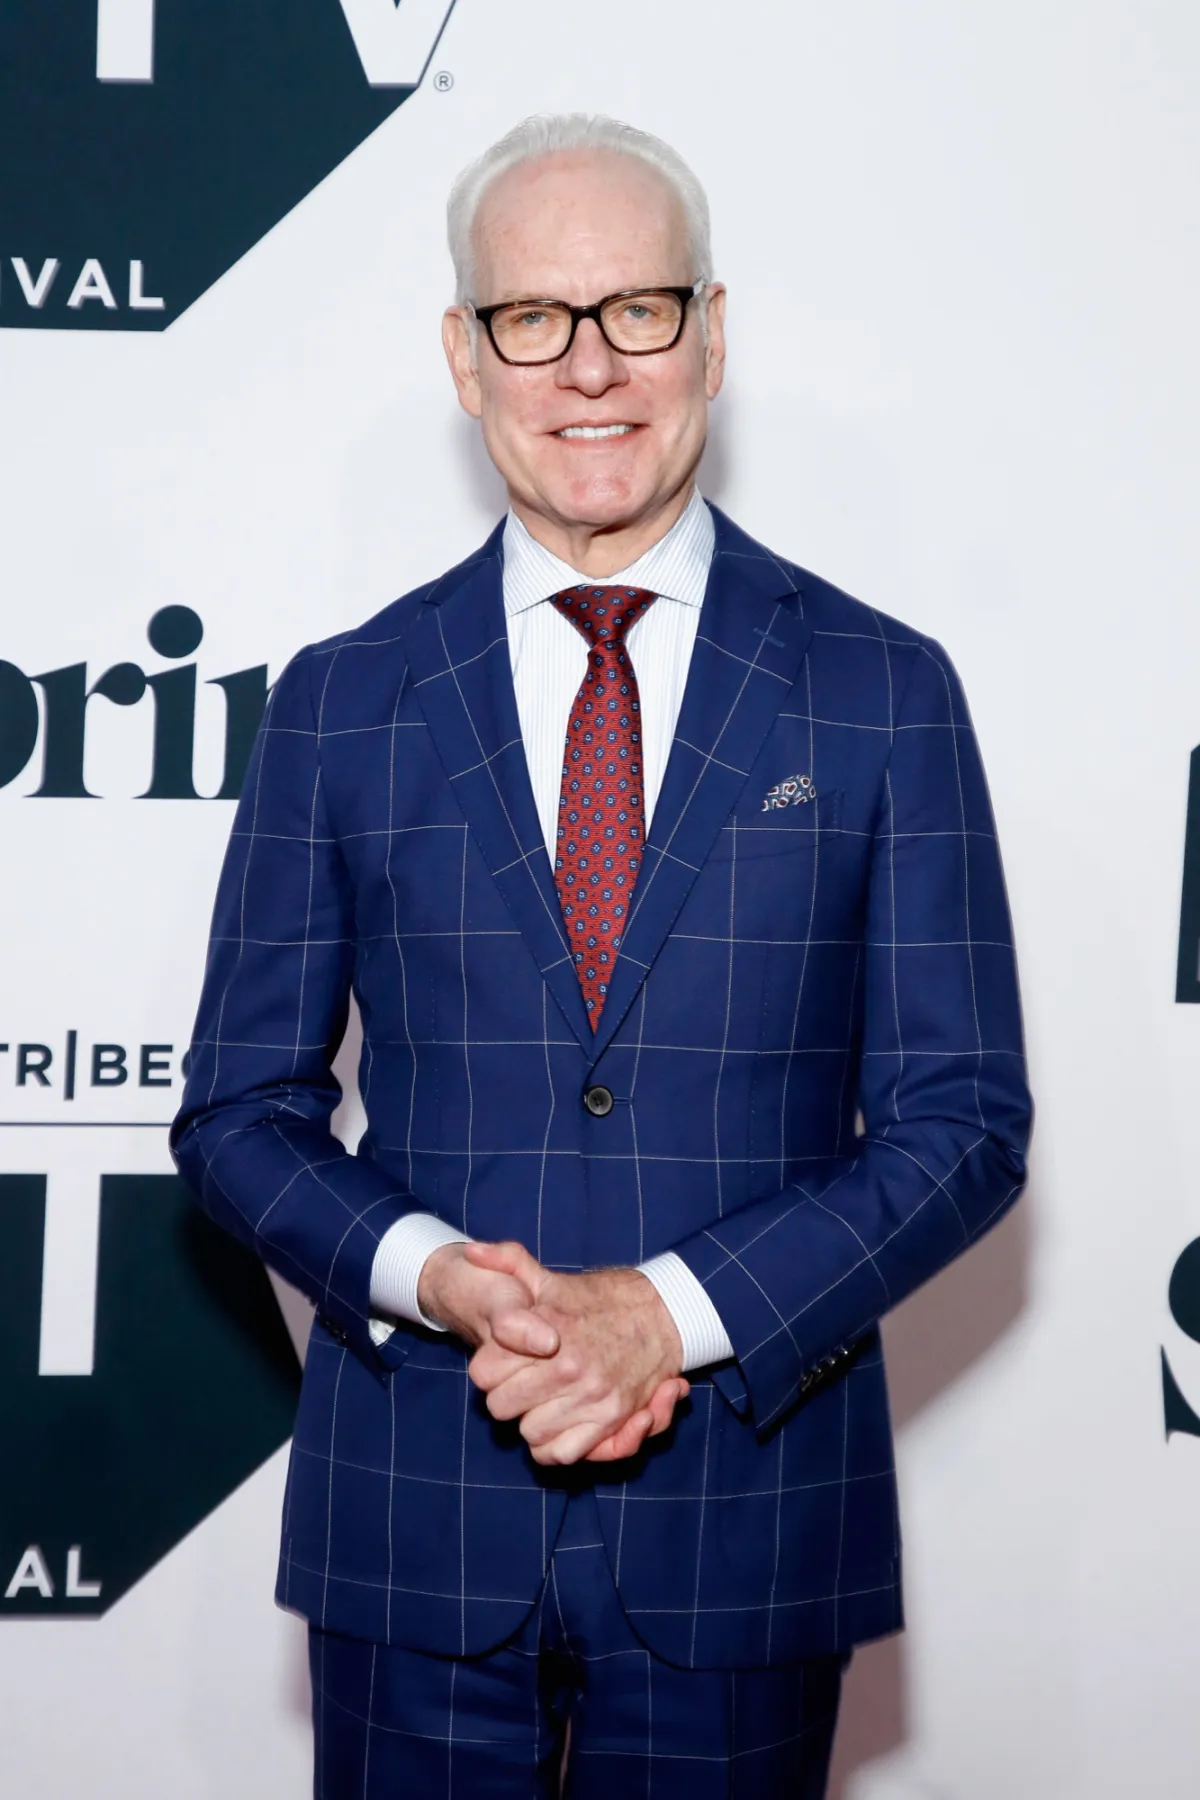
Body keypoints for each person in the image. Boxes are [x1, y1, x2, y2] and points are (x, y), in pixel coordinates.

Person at [172, 113, 1031, 1799]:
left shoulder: (882, 691)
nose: (589, 367)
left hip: (747, 1522)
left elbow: (963, 1125)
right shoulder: (343, 700)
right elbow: (236, 1114)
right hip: (417, 1516)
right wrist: (442, 1278)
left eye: (637, 309)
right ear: (463, 354)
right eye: (532, 318)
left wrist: (665, 1317)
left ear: (712, 331)